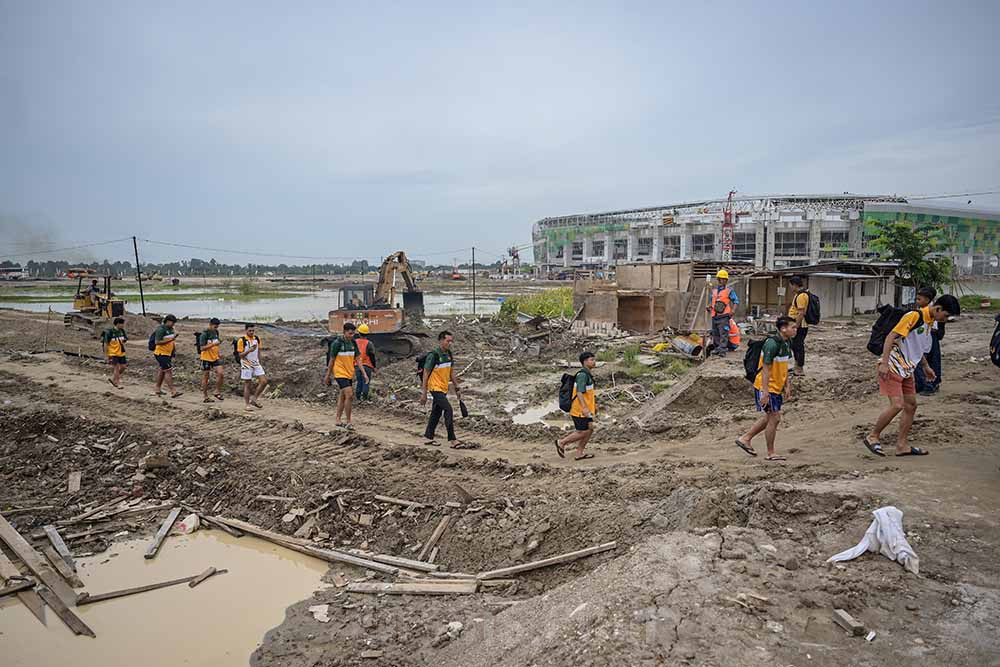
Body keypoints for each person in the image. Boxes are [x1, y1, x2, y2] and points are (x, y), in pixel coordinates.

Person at [863, 294, 960, 457]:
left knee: (911, 405)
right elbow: (890, 337)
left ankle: (902, 445)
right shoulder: (914, 316)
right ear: (938, 308)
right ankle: (873, 436)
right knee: (897, 405)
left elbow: (916, 346)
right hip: (893, 366)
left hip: (907, 369)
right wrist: (885, 364)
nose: (946, 319)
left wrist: (925, 366)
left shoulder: (929, 322)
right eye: (946, 315)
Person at [735, 315, 796, 461]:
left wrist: (787, 385)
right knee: (774, 418)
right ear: (783, 328)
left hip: (776, 387)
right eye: (793, 327)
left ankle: (745, 438)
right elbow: (766, 370)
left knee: (770, 417)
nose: (795, 330)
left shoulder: (787, 342)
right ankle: (770, 453)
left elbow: (784, 365)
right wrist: (765, 392)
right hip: (767, 386)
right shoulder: (771, 344)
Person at [420, 330, 466, 447]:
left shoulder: (449, 354)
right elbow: (426, 373)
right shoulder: (433, 355)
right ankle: (452, 439)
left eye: (451, 341)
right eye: (447, 341)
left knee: (436, 412)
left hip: (443, 388)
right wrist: (424, 393)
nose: (450, 343)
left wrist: (457, 386)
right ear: (441, 341)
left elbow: (451, 372)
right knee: (448, 409)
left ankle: (428, 437)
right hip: (435, 388)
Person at [555, 351, 598, 461]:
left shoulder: (587, 374)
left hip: (586, 408)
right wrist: (584, 408)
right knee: (582, 431)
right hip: (579, 409)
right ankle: (562, 442)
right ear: (584, 362)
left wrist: (594, 405)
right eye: (591, 360)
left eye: (594, 359)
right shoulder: (582, 375)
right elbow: (579, 392)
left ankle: (579, 453)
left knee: (590, 429)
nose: (594, 362)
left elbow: (589, 393)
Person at [327, 322, 367, 427]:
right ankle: (349, 421)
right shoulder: (337, 344)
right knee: (349, 395)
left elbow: (358, 359)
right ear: (344, 332)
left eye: (353, 334)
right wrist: (328, 375)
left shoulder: (353, 343)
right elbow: (332, 360)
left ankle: (338, 419)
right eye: (350, 333)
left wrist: (364, 373)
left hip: (349, 372)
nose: (351, 335)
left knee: (342, 396)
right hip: (339, 372)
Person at [912, 287, 944, 395]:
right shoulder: (923, 311)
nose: (917, 301)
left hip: (930, 335)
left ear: (927, 299)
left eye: (919, 299)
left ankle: (928, 385)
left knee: (926, 361)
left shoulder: (930, 311)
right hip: (929, 335)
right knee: (929, 360)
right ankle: (926, 384)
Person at [706, 269, 739, 357]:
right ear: (718, 279)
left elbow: (736, 301)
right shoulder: (714, 291)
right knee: (715, 333)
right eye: (722, 279)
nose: (723, 280)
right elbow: (711, 301)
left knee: (723, 333)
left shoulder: (729, 290)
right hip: (714, 316)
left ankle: (722, 350)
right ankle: (717, 348)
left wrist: (733, 311)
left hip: (724, 316)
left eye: (725, 279)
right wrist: (709, 306)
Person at [237, 323, 268, 411]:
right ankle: (247, 404)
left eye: (253, 330)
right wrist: (249, 350)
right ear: (246, 330)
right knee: (248, 384)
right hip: (246, 363)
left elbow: (259, 351)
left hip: (256, 363)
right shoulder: (241, 340)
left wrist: (259, 361)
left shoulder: (257, 339)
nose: (251, 332)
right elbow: (240, 355)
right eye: (250, 330)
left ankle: (254, 399)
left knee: (264, 381)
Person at [152, 314, 182, 398]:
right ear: (168, 321)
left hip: (168, 353)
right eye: (172, 323)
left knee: (162, 370)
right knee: (168, 371)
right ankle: (173, 391)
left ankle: (157, 388)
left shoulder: (171, 329)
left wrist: (173, 349)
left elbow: (171, 341)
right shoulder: (161, 329)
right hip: (161, 353)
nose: (173, 325)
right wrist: (171, 339)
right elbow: (157, 342)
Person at [786, 276, 810, 375]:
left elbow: (801, 313)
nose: (790, 288)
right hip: (798, 325)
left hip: (801, 326)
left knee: (798, 346)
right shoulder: (799, 295)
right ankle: (796, 366)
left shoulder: (801, 296)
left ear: (795, 285)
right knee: (795, 346)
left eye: (791, 285)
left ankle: (799, 369)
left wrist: (796, 325)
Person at [199, 317, 225, 403]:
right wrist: (213, 344)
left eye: (217, 327)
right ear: (210, 324)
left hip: (215, 357)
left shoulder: (216, 332)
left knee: (220, 373)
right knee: (206, 377)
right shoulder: (204, 334)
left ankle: (217, 391)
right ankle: (205, 396)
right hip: (206, 358)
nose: (216, 328)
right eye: (215, 326)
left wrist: (218, 350)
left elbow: (216, 344)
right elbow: (202, 348)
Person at [101, 317, 128, 389]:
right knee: (116, 368)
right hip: (113, 353)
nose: (123, 325)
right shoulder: (109, 332)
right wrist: (106, 355)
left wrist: (124, 340)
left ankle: (114, 379)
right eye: (122, 324)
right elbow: (106, 344)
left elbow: (125, 339)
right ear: (118, 324)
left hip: (121, 352)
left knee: (123, 367)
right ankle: (117, 383)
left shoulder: (122, 331)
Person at [354, 323, 377, 400]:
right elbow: (372, 356)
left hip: (357, 366)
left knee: (359, 382)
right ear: (367, 333)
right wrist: (374, 366)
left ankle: (357, 398)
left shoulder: (355, 342)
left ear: (359, 333)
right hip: (367, 366)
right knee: (366, 382)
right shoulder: (369, 343)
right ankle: (364, 398)